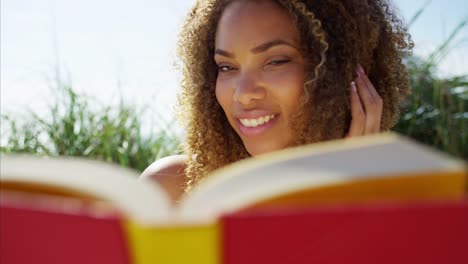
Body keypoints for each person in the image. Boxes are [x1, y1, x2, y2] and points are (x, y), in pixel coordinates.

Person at [140, 0, 413, 202]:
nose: (243, 92)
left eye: (276, 61)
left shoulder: (394, 203)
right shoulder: (172, 190)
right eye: (226, 67)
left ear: (339, 72)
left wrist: (345, 198)